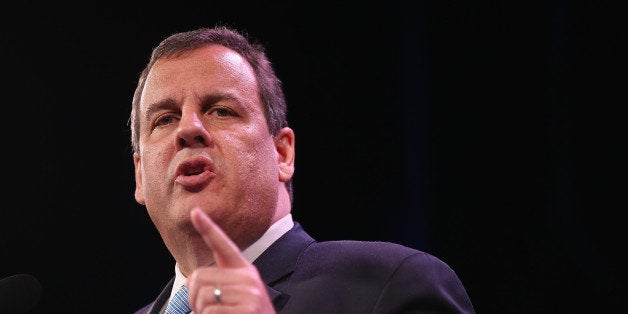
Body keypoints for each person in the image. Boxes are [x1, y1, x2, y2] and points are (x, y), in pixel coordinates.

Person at [130, 25, 475, 314]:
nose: (189, 128)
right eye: (165, 119)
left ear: (282, 153)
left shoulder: (391, 286)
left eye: (221, 111)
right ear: (141, 175)